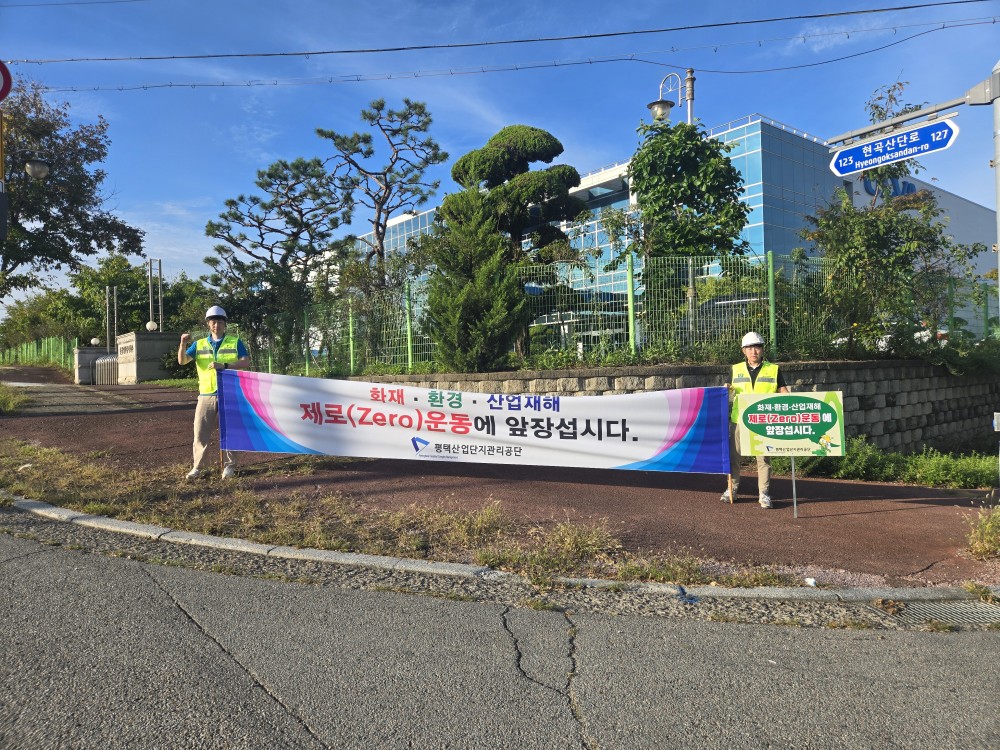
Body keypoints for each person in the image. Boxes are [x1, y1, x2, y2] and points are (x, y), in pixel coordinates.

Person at [177, 305, 250, 480]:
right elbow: (182, 361)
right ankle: (198, 467)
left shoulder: (235, 342)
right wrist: (183, 343)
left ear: (225, 324)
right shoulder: (199, 344)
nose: (216, 325)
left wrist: (225, 365)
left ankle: (229, 466)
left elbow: (245, 362)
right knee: (200, 432)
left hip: (229, 392)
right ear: (208, 324)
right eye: (213, 322)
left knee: (230, 431)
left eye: (219, 322)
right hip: (206, 394)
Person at [722, 331, 789, 509]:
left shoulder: (773, 369)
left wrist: (791, 405)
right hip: (739, 419)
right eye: (750, 348)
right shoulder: (735, 369)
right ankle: (731, 489)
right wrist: (725, 389)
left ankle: (764, 494)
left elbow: (783, 392)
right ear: (743, 350)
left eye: (757, 347)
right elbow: (727, 390)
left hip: (763, 421)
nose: (754, 351)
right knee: (734, 457)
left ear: (762, 349)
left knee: (763, 459)